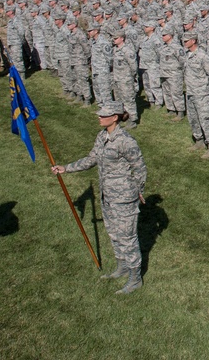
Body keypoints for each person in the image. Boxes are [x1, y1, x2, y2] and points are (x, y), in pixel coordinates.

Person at [52, 102, 147, 295]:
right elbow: (92, 159)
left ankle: (135, 277)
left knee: (128, 238)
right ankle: (122, 266)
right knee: (113, 233)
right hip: (108, 195)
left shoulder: (126, 141)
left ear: (115, 118)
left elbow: (140, 167)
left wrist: (138, 190)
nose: (99, 117)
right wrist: (66, 168)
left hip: (124, 198)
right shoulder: (102, 136)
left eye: (103, 115)